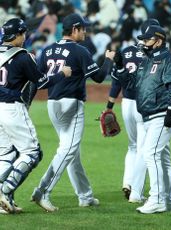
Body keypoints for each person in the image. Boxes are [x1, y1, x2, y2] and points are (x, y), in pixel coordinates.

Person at [31, 13, 112, 212]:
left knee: (72, 154)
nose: (85, 31)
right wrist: (108, 59)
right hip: (72, 105)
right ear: (74, 29)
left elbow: (39, 80)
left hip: (52, 105)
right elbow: (100, 77)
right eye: (83, 28)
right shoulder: (79, 51)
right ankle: (43, 190)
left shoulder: (48, 50)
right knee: (67, 150)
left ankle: (85, 196)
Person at [0, 18, 71, 214]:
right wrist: (62, 74)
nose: (25, 37)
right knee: (32, 153)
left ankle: (4, 203)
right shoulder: (23, 56)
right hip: (11, 108)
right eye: (23, 33)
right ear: (16, 35)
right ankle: (4, 192)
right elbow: (41, 82)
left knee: (6, 155)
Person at [112, 25, 171, 214]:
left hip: (161, 114)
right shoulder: (146, 61)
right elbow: (130, 83)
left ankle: (157, 199)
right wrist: (120, 67)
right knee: (162, 160)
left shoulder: (169, 60)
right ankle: (168, 201)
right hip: (149, 115)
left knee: (150, 154)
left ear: (159, 41)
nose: (143, 43)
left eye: (147, 40)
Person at [105, 19, 160, 202]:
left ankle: (127, 182)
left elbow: (116, 82)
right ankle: (136, 192)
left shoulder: (126, 51)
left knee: (133, 147)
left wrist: (109, 107)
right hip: (143, 104)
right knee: (144, 150)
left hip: (126, 104)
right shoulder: (152, 53)